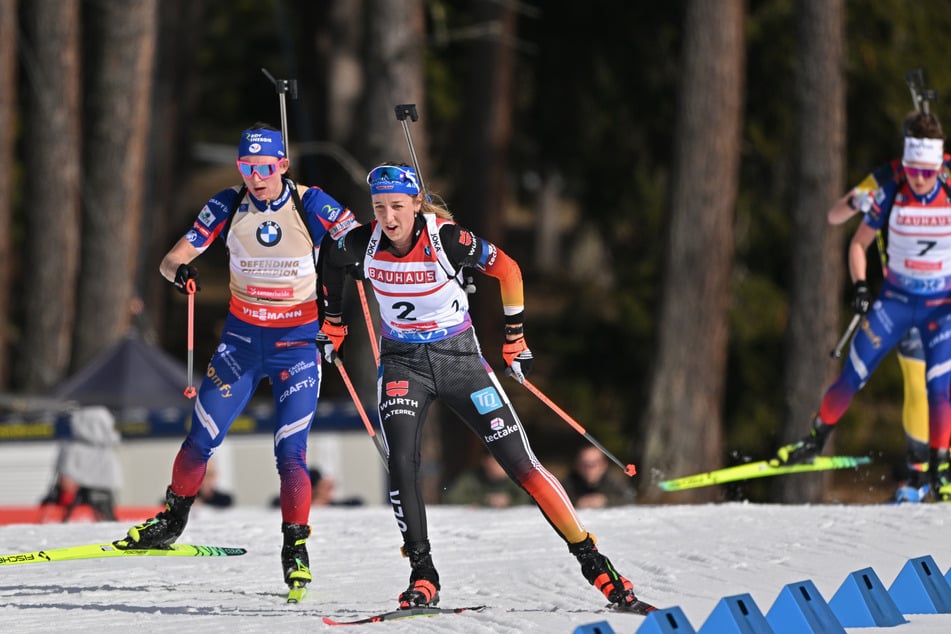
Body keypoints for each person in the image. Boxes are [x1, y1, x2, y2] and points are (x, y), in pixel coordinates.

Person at [317, 162, 649, 611]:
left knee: (522, 465)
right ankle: (423, 575)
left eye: (397, 206)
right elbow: (330, 261)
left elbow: (508, 270)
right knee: (402, 464)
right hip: (402, 365)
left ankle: (598, 566)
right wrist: (332, 323)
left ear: (416, 204)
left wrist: (515, 336)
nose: (389, 218)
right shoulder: (363, 243)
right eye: (379, 208)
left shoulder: (447, 239)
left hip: (460, 363)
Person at [115, 123, 358, 596]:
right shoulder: (226, 204)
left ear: (283, 165)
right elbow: (172, 258)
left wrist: (345, 271)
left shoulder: (311, 202)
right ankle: (173, 518)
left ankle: (295, 547)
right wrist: (180, 270)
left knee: (290, 452)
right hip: (241, 343)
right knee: (200, 437)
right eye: (248, 167)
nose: (257, 176)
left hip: (297, 343)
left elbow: (357, 240)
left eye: (266, 167)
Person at [773, 112, 951, 503]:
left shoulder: (948, 181)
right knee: (852, 374)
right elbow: (844, 226)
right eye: (912, 169)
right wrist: (859, 285)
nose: (919, 179)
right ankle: (815, 438)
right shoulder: (889, 182)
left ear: (938, 162)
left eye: (927, 170)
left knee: (936, 389)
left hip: (940, 307)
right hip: (895, 302)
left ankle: (936, 468)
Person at [40, 406, 122, 522]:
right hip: (98, 502)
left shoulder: (73, 448)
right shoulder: (107, 450)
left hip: (78, 504)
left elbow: (67, 481)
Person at [443, 452, 532, 507]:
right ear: (485, 462)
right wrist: (485, 500)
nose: (499, 466)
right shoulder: (471, 478)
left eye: (502, 462)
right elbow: (451, 498)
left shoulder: (515, 478)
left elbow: (527, 499)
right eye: (495, 461)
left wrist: (508, 502)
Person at [562, 445, 636, 509]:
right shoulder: (569, 483)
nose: (589, 468)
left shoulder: (615, 481)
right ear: (577, 465)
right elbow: (557, 500)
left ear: (604, 465)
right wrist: (576, 502)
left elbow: (631, 498)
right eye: (584, 464)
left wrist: (606, 501)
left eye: (595, 463)